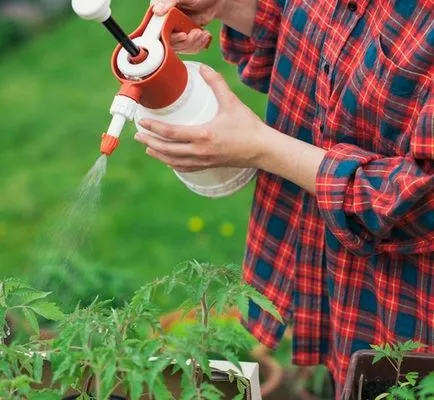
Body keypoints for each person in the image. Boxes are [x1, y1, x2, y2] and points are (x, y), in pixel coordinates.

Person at [134, 0, 434, 398]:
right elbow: (311, 38)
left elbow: (422, 199)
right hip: (342, 283)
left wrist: (261, 148)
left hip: (408, 311)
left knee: (394, 384)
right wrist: (227, 6)